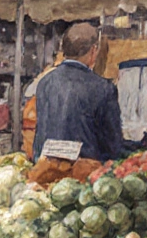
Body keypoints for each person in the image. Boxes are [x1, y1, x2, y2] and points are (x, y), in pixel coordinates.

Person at [33, 23, 123, 162]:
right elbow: (113, 146)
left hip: (45, 169)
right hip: (85, 172)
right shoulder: (104, 88)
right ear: (93, 50)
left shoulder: (44, 82)